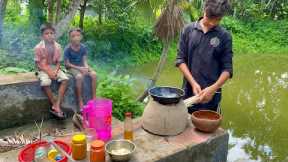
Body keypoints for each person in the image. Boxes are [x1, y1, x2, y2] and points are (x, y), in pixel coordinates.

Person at [176, 0, 233, 114]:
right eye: (209, 18)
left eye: (217, 20)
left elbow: (227, 69)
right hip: (188, 94)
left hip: (211, 99)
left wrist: (213, 88)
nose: (212, 23)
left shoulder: (225, 36)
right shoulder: (188, 30)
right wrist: (193, 83)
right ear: (204, 10)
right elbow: (180, 60)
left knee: (210, 129)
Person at [34, 23, 68, 118]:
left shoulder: (58, 46)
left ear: (54, 34)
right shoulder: (38, 47)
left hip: (54, 68)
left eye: (51, 33)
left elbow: (58, 62)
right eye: (46, 33)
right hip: (43, 68)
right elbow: (37, 64)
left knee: (65, 79)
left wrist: (55, 71)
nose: (49, 35)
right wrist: (48, 72)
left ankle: (57, 104)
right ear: (42, 36)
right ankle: (54, 103)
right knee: (45, 82)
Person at [64, 28, 97, 111]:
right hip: (72, 67)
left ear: (81, 37)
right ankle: (80, 101)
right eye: (73, 36)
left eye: (78, 35)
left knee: (94, 74)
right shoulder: (67, 49)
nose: (76, 38)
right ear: (70, 38)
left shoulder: (83, 47)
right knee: (79, 77)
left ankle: (94, 99)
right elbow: (67, 64)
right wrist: (80, 68)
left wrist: (87, 68)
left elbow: (84, 61)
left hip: (81, 66)